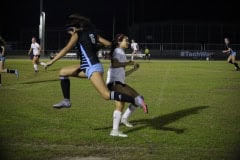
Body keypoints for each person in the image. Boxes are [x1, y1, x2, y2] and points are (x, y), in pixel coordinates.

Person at [44, 14, 148, 112]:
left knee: (106, 95)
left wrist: (51, 61)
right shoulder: (93, 34)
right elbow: (109, 44)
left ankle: (135, 100)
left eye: (69, 30)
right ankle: (66, 101)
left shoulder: (77, 34)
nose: (69, 33)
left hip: (91, 67)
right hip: (87, 66)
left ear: (74, 28)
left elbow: (66, 49)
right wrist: (97, 46)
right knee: (63, 72)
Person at [106, 34, 147, 137]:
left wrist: (133, 69)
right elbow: (115, 64)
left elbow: (123, 74)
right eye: (126, 40)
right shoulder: (117, 51)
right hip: (115, 83)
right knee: (138, 98)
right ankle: (117, 127)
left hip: (118, 82)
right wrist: (128, 63)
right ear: (119, 42)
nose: (128, 42)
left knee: (120, 105)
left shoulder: (121, 52)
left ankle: (118, 126)